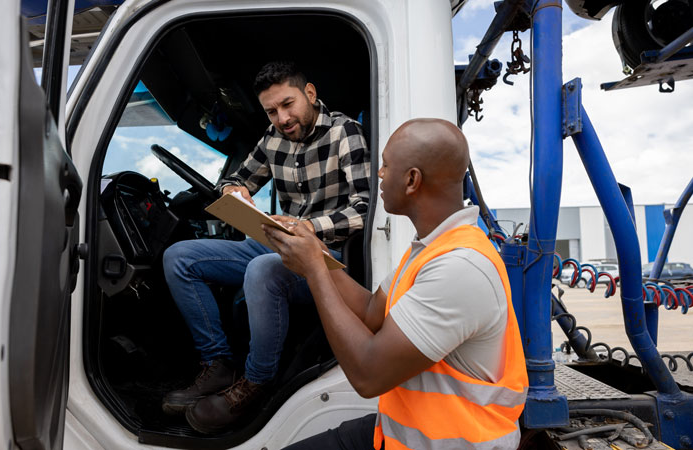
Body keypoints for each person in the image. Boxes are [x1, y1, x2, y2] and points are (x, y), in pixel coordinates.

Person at [264, 118, 528, 450]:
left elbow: (368, 374)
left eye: (386, 165)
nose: (379, 173)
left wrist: (315, 272)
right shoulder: (431, 249)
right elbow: (372, 311)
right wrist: (316, 255)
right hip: (399, 434)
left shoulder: (460, 267)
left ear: (412, 180)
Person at [161, 61, 370, 434]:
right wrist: (232, 189)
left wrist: (309, 227)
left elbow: (365, 208)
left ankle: (257, 382)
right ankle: (219, 363)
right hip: (275, 244)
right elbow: (240, 175)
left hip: (326, 258)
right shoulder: (272, 137)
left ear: (310, 94)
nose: (282, 117)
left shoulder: (345, 132)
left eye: (288, 105)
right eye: (272, 111)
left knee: (263, 269)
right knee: (180, 258)